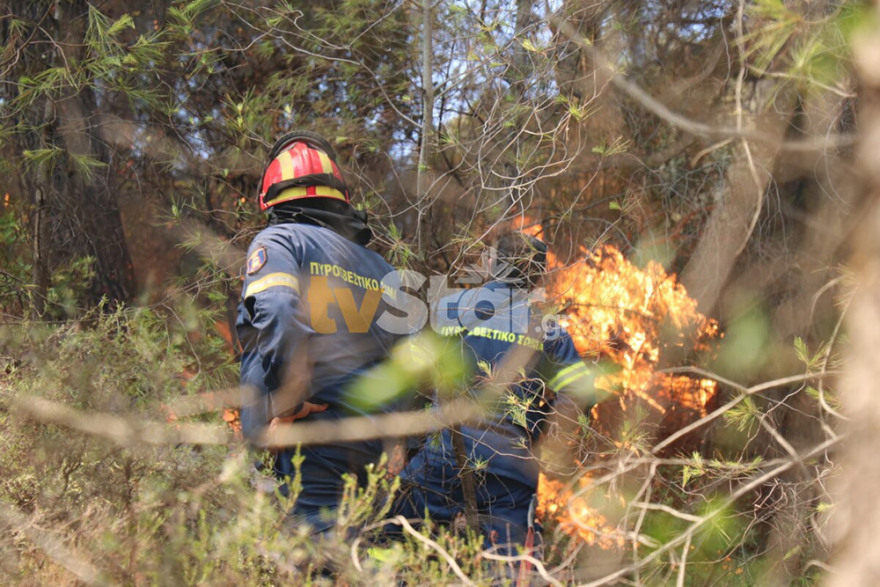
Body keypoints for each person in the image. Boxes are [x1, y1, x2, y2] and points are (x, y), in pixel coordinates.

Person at [392, 231, 602, 555]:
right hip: (511, 469)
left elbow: (409, 377)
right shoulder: (548, 330)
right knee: (506, 566)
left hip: (442, 456)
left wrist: (405, 444)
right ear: (538, 276)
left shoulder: (448, 310)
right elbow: (579, 393)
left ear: (490, 263)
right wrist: (546, 444)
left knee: (398, 544)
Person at [236, 130, 401, 535]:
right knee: (367, 561)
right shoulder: (379, 265)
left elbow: (276, 307)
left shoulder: (279, 240)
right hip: (371, 446)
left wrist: (290, 402)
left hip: (309, 445)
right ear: (339, 197)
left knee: (312, 565)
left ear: (271, 198)